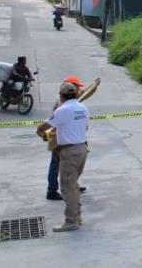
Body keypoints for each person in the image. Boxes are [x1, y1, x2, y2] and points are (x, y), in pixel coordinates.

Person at [36, 81, 90, 232]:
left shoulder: (62, 110)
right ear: (75, 94)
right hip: (82, 148)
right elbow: (85, 127)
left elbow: (42, 128)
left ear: (61, 95)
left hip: (69, 151)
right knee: (73, 185)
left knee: (67, 187)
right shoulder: (83, 107)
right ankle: (77, 217)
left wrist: (45, 137)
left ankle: (71, 221)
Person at [46, 76, 87, 200]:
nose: (80, 89)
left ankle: (72, 184)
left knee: (72, 164)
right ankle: (52, 190)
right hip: (60, 139)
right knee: (56, 164)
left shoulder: (70, 102)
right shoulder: (62, 105)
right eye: (77, 87)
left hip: (67, 137)